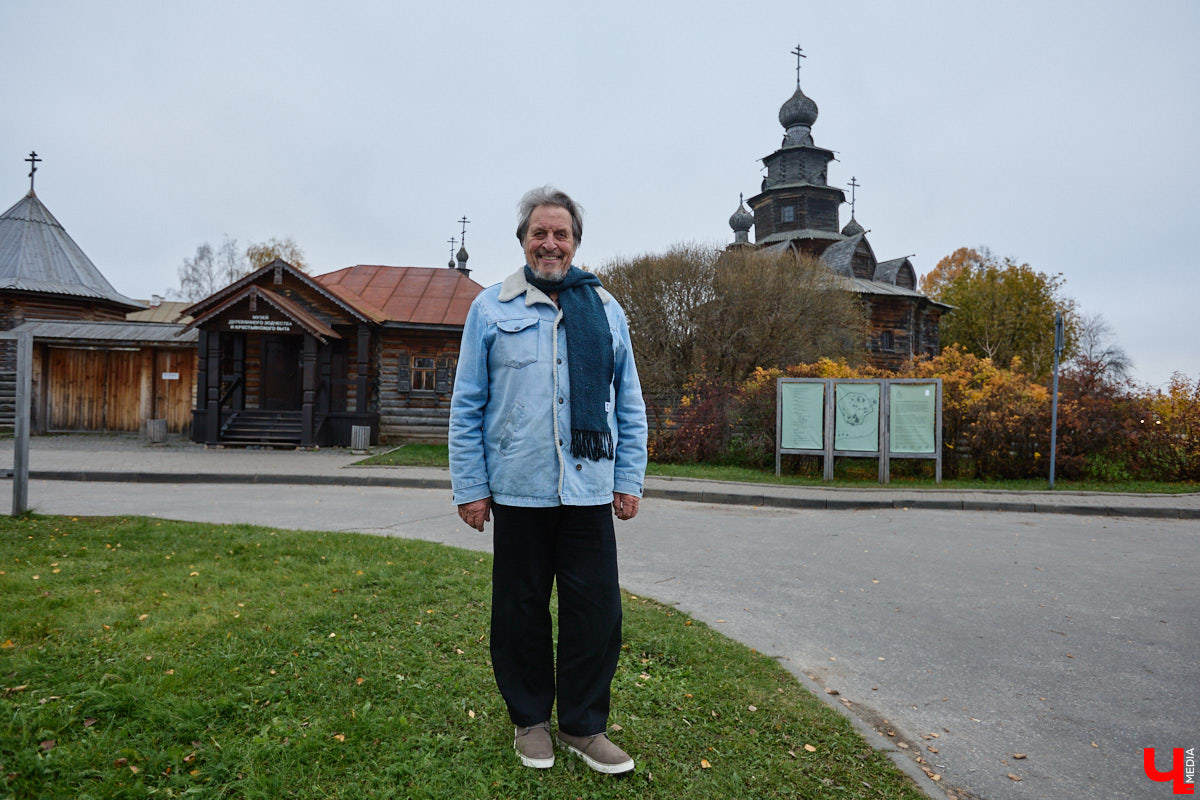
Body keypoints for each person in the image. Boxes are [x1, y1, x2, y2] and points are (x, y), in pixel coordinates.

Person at [448, 186, 648, 774]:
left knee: (596, 614)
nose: (550, 243)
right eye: (540, 232)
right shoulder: (490, 309)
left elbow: (629, 404)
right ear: (523, 241)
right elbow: (467, 407)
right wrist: (471, 487)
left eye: (561, 234)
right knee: (520, 612)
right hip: (516, 487)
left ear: (576, 243)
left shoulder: (607, 310)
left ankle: (585, 727)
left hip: (587, 488)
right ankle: (529, 721)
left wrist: (628, 478)